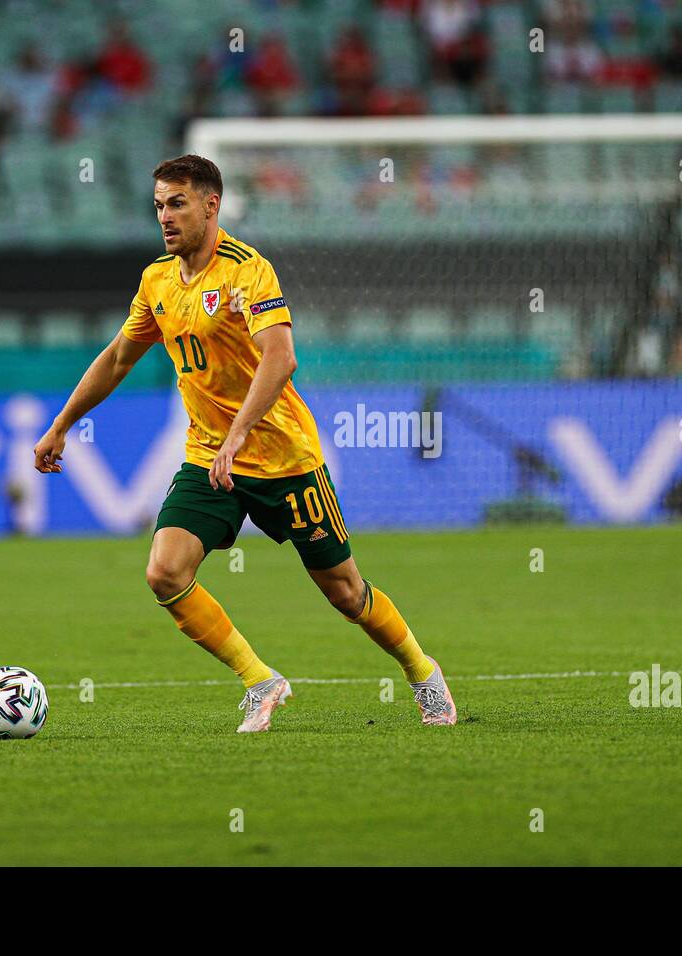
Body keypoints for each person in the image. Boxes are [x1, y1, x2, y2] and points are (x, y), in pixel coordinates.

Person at [33, 155, 458, 732]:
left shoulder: (247, 271)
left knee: (344, 591)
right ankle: (260, 679)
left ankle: (421, 671)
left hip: (284, 458)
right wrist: (62, 423)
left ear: (211, 205)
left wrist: (239, 435)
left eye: (177, 203)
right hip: (210, 457)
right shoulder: (156, 280)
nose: (165, 216)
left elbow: (281, 358)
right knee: (165, 571)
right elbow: (117, 359)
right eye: (159, 205)